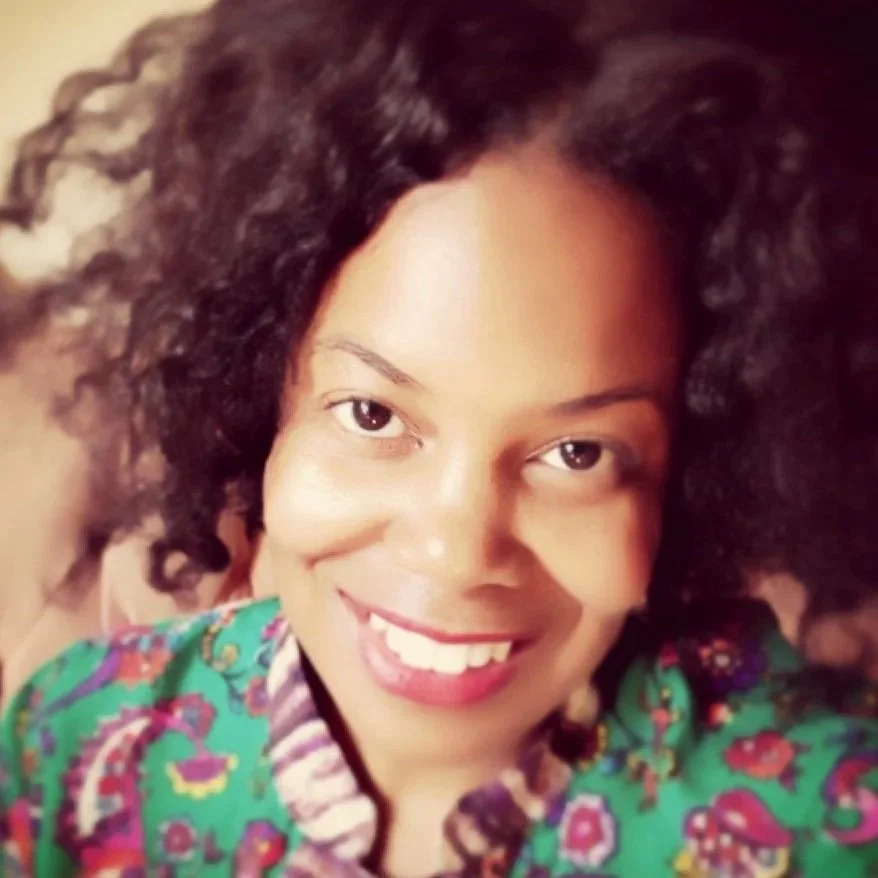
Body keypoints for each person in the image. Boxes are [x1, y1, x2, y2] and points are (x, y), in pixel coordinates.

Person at [1, 0, 877, 874]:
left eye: (576, 453)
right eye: (372, 415)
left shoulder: (822, 820)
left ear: (688, 475)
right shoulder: (76, 748)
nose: (457, 554)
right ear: (263, 403)